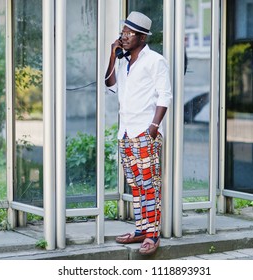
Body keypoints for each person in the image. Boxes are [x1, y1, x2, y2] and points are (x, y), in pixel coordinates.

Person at [105, 11, 172, 255]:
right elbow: (109, 85)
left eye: (128, 33)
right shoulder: (124, 63)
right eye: (122, 32)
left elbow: (165, 95)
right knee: (135, 185)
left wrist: (153, 128)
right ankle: (141, 229)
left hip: (145, 132)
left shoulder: (155, 61)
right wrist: (113, 56)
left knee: (150, 185)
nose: (123, 37)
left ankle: (153, 235)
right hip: (125, 133)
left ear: (142, 37)